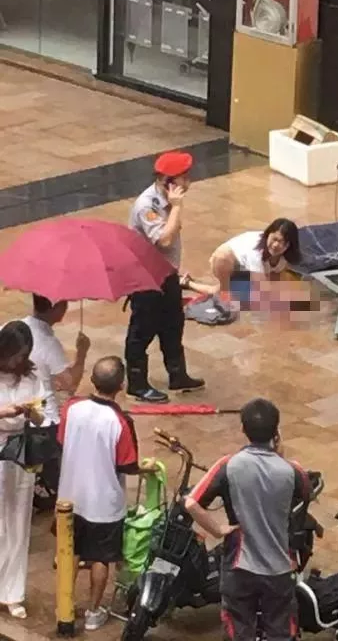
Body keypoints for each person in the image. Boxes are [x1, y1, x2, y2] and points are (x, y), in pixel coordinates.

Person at [185, 398, 310, 641]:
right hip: (279, 569)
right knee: (281, 631)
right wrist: (280, 454)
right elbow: (304, 494)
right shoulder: (293, 471)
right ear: (276, 432)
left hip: (239, 567)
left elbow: (192, 503)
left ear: (243, 429)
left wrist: (218, 530)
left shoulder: (228, 465)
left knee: (239, 631)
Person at [57, 355, 154, 631]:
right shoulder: (120, 421)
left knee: (71, 552)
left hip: (70, 496)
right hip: (104, 503)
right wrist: (145, 469)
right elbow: (127, 464)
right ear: (121, 386)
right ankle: (93, 611)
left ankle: (64, 606)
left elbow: (61, 440)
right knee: (101, 558)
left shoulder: (71, 408)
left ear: (92, 380)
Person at [125, 150, 204, 403]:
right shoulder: (147, 206)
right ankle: (137, 383)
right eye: (184, 177)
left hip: (166, 275)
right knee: (142, 330)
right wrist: (177, 206)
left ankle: (177, 374)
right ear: (167, 181)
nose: (188, 180)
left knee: (173, 324)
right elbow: (165, 240)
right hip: (146, 279)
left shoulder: (168, 199)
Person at [23, 295, 91, 510]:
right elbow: (70, 384)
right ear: (57, 307)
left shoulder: (12, 328)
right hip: (43, 419)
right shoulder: (49, 344)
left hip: (16, 412)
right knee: (52, 482)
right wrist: (81, 354)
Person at [0, 321, 45, 619]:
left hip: (20, 453)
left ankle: (12, 592)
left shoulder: (31, 378)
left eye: (23, 354)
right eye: (14, 354)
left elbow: (42, 417)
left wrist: (31, 412)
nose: (18, 360)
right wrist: (4, 412)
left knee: (18, 522)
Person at [207, 218, 301, 297]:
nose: (275, 245)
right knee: (227, 293)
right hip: (225, 262)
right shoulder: (256, 253)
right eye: (274, 239)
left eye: (282, 242)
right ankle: (224, 293)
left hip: (245, 267)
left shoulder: (287, 256)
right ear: (268, 235)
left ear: (289, 245)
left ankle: (201, 287)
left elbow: (279, 276)